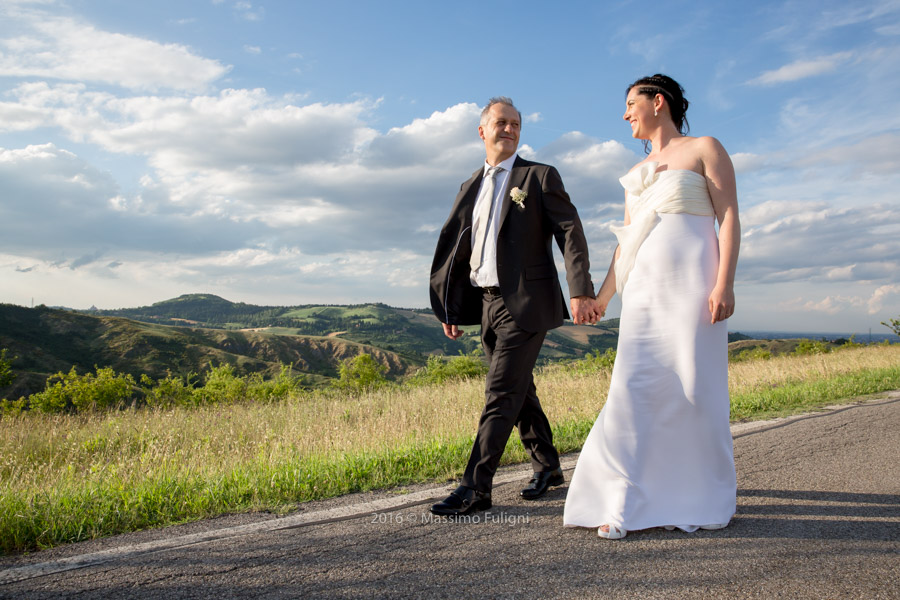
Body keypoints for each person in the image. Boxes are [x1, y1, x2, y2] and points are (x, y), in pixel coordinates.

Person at [563, 74, 740, 539]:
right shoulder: (636, 175)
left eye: (629, 104)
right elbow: (627, 244)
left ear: (657, 102)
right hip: (643, 292)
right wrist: (602, 298)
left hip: (693, 287)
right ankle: (621, 499)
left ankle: (695, 496)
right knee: (633, 387)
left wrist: (725, 282)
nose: (625, 115)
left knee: (694, 388)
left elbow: (729, 217)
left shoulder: (705, 148)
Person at [429, 97, 602, 517]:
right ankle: (548, 467)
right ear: (482, 131)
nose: (510, 130)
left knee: (500, 392)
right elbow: (458, 248)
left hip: (527, 301)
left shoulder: (538, 176)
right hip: (485, 301)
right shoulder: (470, 184)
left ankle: (476, 486)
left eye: (517, 125)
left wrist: (580, 289)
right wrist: (451, 308)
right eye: (502, 123)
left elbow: (570, 231)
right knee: (518, 389)